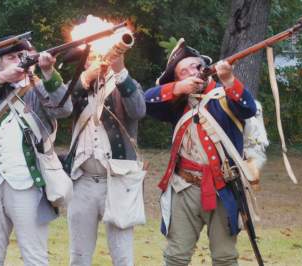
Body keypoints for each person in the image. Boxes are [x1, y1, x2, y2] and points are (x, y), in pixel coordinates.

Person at [143, 39, 257, 266]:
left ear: (205, 67)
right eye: (182, 72)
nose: (191, 72)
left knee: (225, 258)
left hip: (224, 187)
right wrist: (178, 89)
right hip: (184, 187)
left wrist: (229, 80)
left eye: (195, 66)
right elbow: (144, 101)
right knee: (176, 257)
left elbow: (248, 108)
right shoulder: (176, 103)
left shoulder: (225, 95)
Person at [0, 38, 72, 265]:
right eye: (11, 57)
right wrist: (1, 79)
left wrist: (48, 71)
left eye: (22, 56)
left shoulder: (39, 89)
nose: (19, 60)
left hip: (27, 185)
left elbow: (65, 107)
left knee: (34, 257)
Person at [62, 50, 146, 265]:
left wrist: (120, 71)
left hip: (117, 182)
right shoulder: (77, 87)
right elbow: (59, 107)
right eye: (91, 57)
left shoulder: (126, 84)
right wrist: (86, 78)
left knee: (123, 256)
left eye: (102, 55)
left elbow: (138, 111)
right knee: (78, 256)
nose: (97, 60)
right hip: (83, 181)